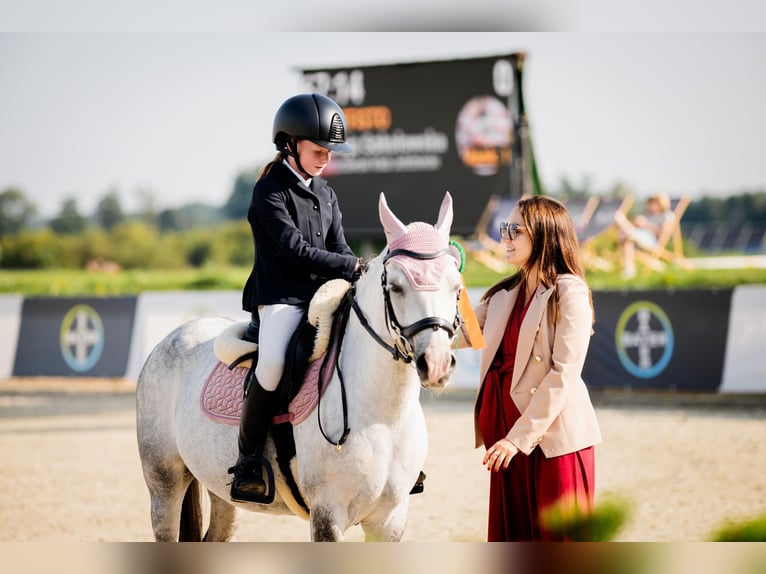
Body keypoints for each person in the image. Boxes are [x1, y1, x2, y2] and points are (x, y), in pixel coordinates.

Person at [228, 93, 364, 503]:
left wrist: (355, 268)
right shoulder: (268, 191)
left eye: (330, 152)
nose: (326, 159)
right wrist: (351, 266)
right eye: (319, 150)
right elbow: (295, 251)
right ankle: (248, 460)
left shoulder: (326, 193)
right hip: (283, 297)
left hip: (324, 293)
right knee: (271, 363)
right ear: (290, 144)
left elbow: (339, 247)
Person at [461, 195, 602, 541]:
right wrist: (450, 279)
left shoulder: (570, 292)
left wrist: (517, 440)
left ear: (543, 235)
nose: (504, 237)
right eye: (503, 228)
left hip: (553, 444)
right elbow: (456, 331)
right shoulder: (503, 295)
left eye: (514, 230)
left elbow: (564, 374)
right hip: (508, 446)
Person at [614, 193, 675, 278]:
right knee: (625, 234)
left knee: (626, 235)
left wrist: (645, 224)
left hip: (651, 240)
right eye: (649, 203)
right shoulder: (648, 215)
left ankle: (629, 269)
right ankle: (620, 220)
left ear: (660, 203)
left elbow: (662, 234)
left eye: (652, 202)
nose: (649, 205)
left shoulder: (667, 216)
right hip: (639, 236)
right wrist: (636, 222)